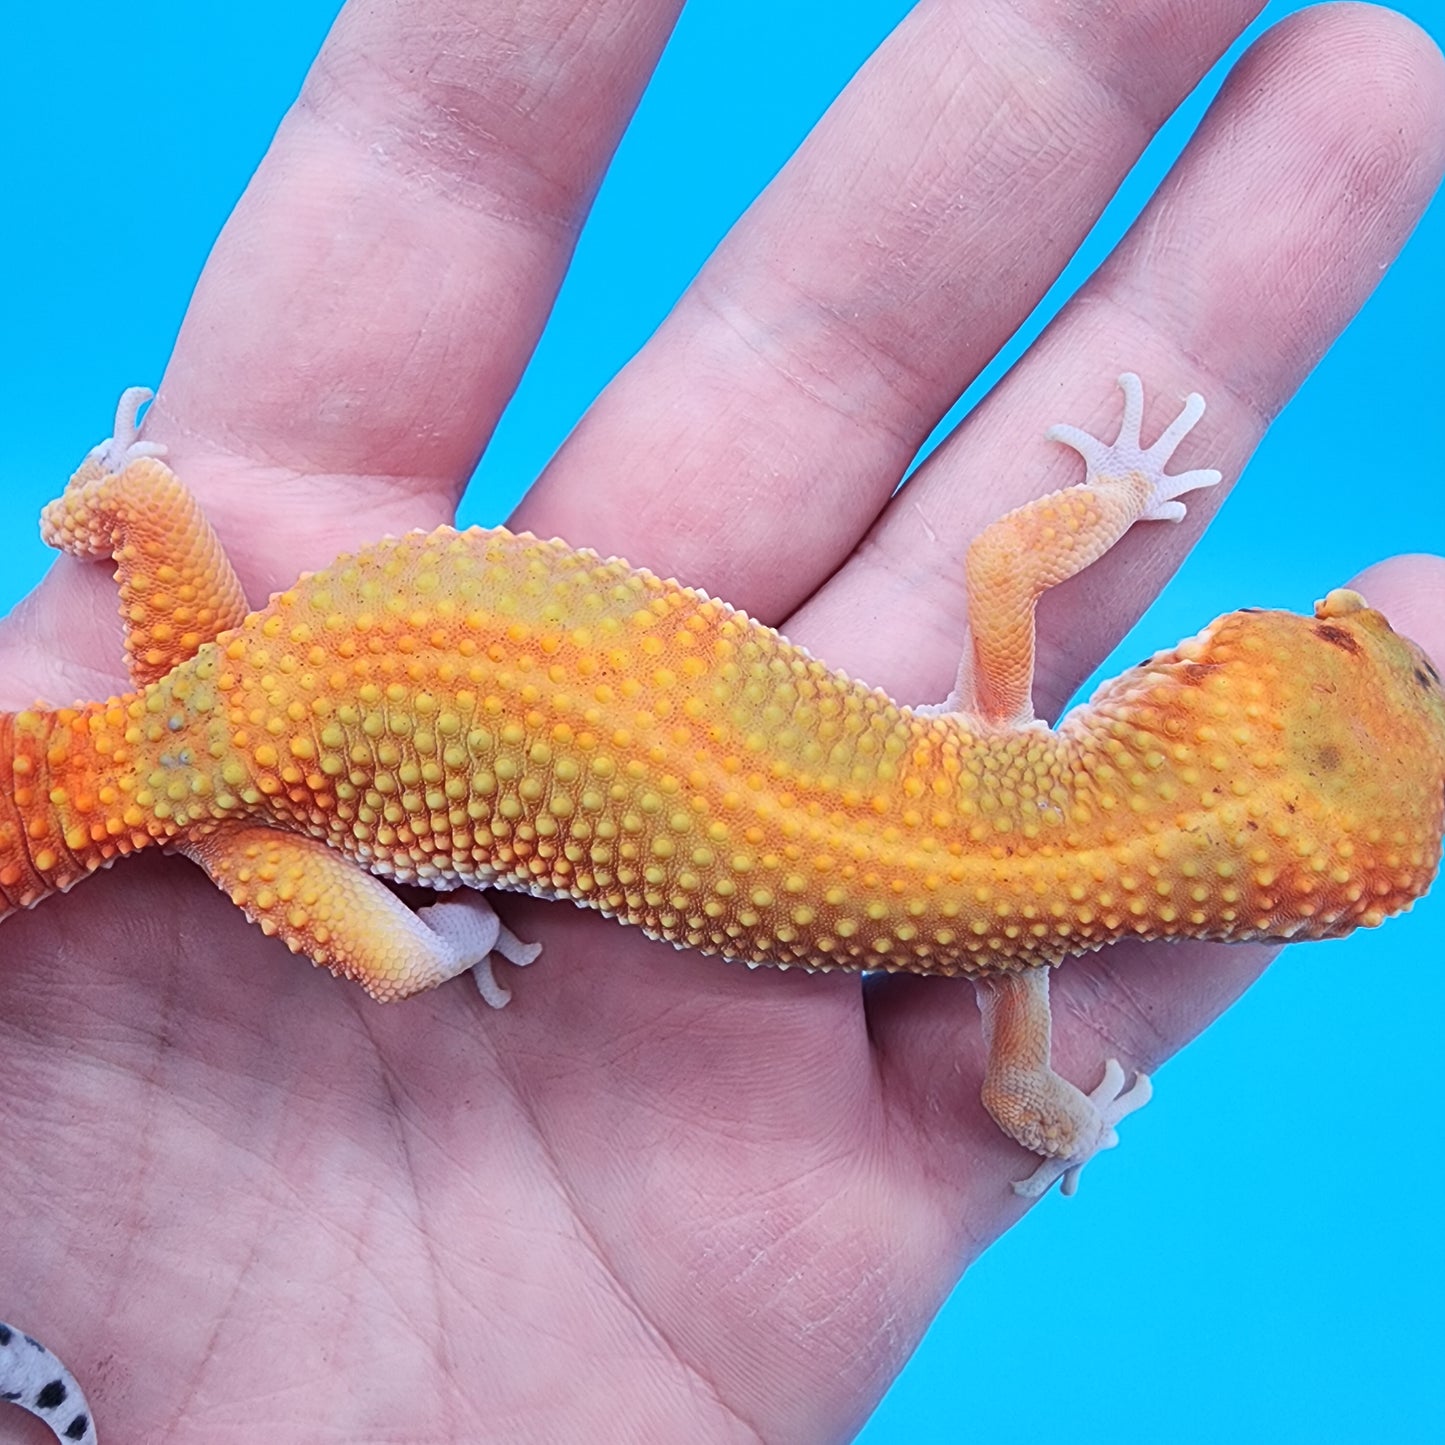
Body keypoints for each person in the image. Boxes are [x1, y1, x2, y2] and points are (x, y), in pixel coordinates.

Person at [2, 2, 1442, 1439]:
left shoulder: (995, 737)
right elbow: (1028, 1101)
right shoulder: (1020, 986)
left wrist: (1118, 495)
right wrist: (1083, 1122)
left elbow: (1006, 561)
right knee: (417, 959)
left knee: (149, 505)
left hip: (261, 724)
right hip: (280, 804)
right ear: (1254, 913)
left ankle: (97, 497)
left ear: (1187, 681)